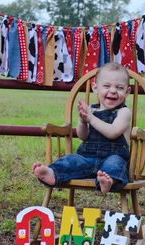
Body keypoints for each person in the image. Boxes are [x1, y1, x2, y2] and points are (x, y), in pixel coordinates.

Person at [32, 63, 131, 194]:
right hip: (87, 159)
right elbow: (83, 136)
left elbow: (112, 132)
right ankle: (52, 173)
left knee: (115, 164)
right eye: (106, 86)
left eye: (119, 87)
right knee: (71, 159)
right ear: (95, 88)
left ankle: (108, 181)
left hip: (113, 157)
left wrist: (90, 118)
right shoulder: (91, 110)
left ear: (127, 91)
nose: (113, 91)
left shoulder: (124, 112)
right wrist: (82, 122)